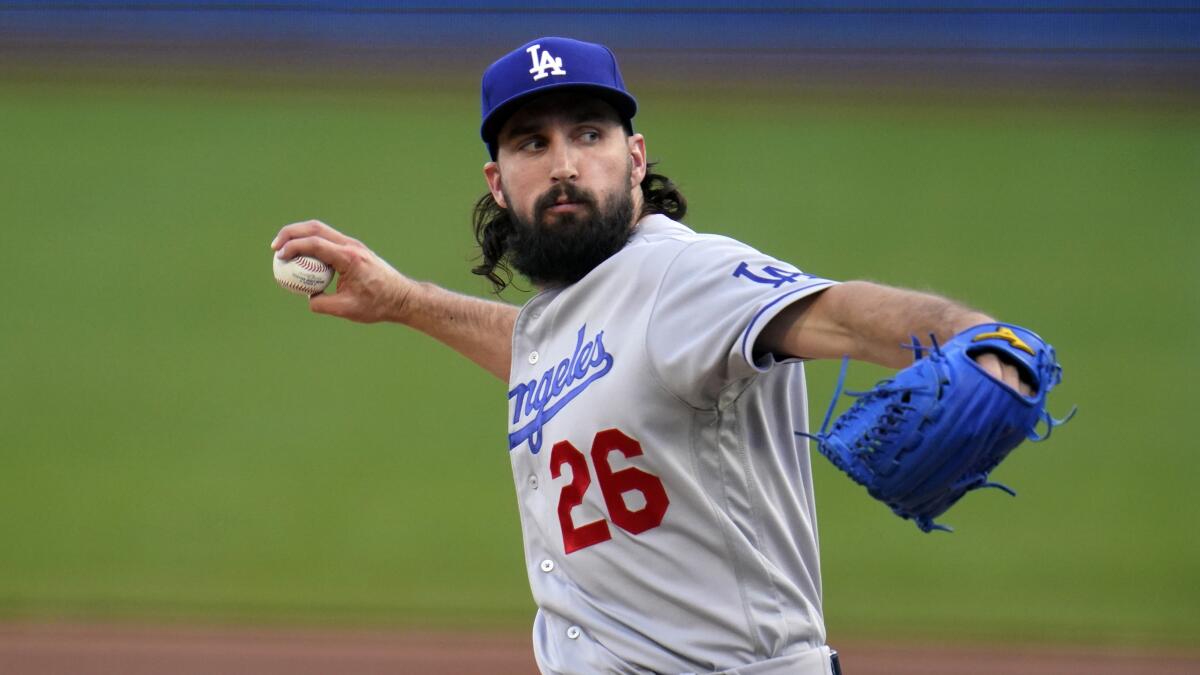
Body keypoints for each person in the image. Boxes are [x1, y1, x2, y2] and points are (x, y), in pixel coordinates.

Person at [271, 36, 1029, 675]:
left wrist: (980, 335)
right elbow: (563, 357)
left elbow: (839, 314)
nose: (564, 163)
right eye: (534, 142)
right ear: (498, 184)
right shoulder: (581, 310)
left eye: (589, 134)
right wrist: (406, 300)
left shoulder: (684, 277)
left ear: (636, 158)